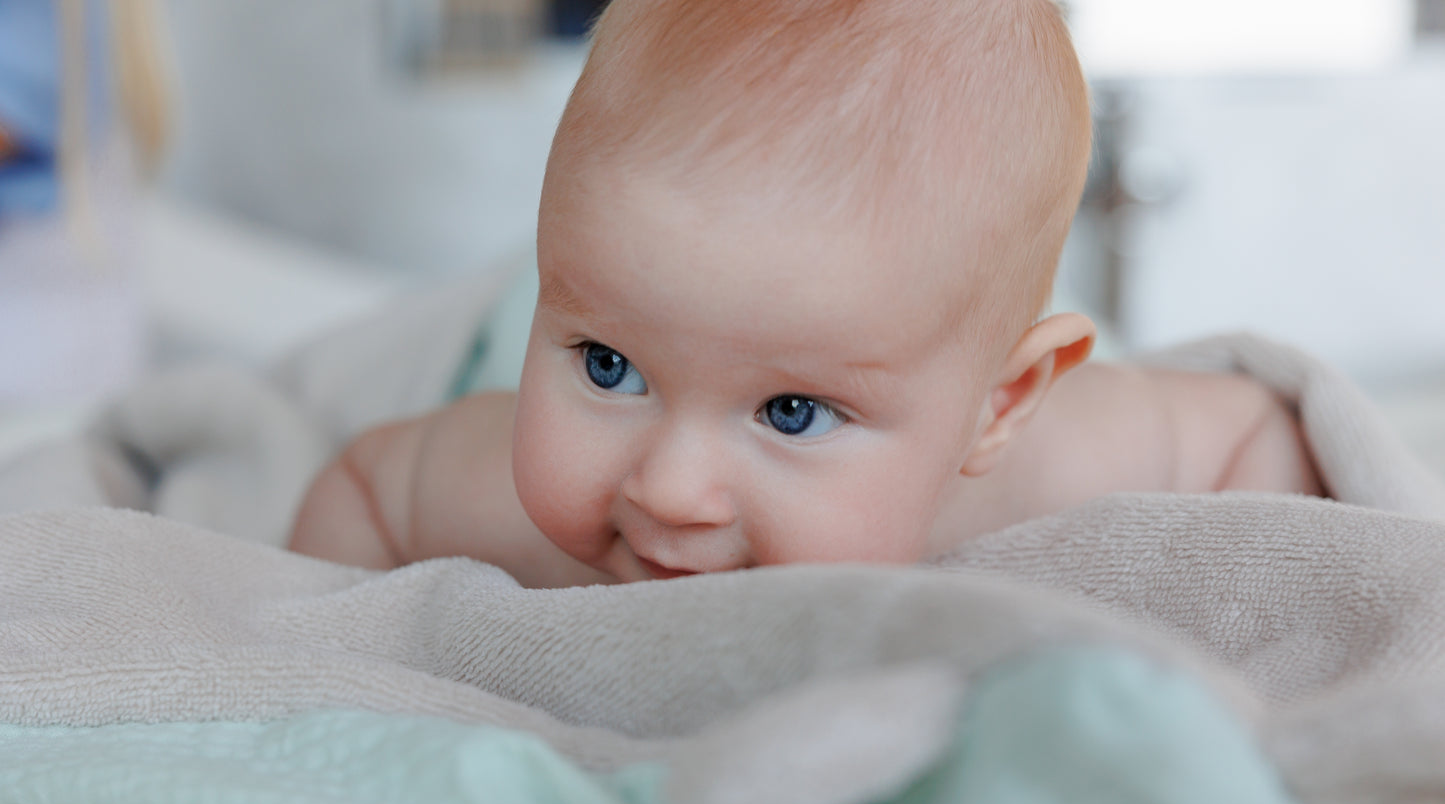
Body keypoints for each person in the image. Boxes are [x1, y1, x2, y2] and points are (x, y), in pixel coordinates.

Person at [287, 0, 1322, 588]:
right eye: (609, 369)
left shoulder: (1051, 477)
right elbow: (366, 486)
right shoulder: (495, 500)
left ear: (996, 406)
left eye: (792, 411)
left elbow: (1255, 432)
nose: (669, 491)